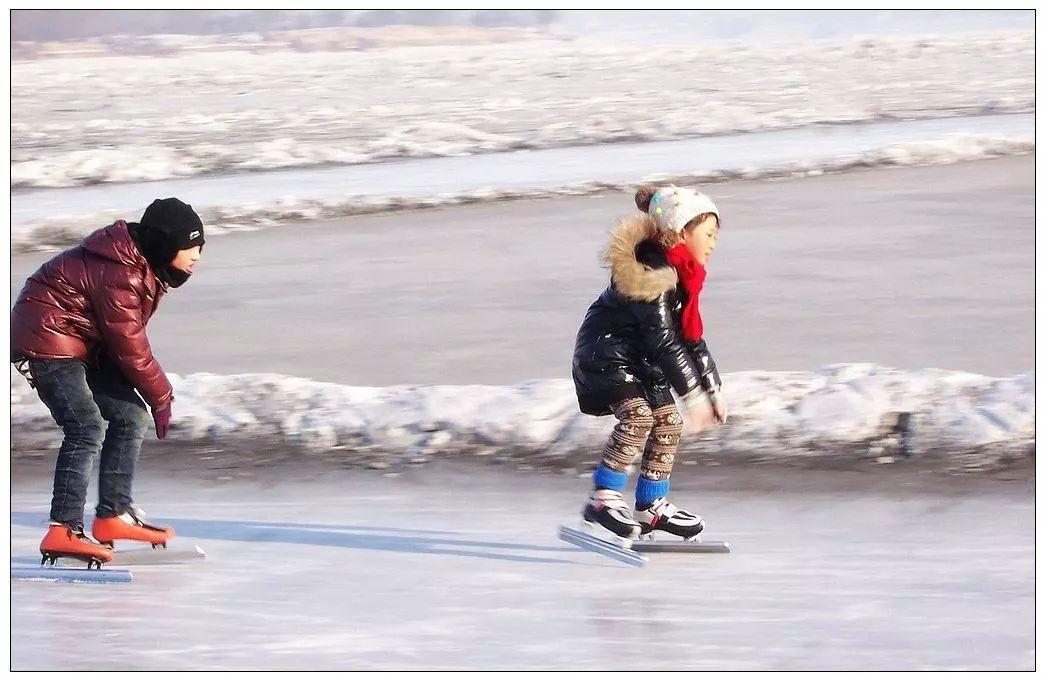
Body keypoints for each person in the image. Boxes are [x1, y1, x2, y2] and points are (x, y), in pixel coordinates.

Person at [11, 198, 205, 565]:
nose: (197, 256)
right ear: (165, 245)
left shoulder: (140, 264)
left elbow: (119, 340)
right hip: (46, 340)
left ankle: (112, 515)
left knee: (131, 416)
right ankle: (63, 530)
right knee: (85, 426)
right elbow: (129, 343)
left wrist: (148, 398)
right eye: (190, 247)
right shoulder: (123, 273)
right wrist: (162, 395)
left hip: (81, 342)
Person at [571, 185, 727, 542]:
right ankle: (603, 499)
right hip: (606, 354)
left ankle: (652, 506)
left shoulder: (685, 277)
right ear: (681, 232)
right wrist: (694, 395)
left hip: (640, 361)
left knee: (669, 421)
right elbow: (663, 340)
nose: (713, 243)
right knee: (639, 416)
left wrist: (712, 389)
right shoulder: (650, 272)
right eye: (708, 234)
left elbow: (691, 339)